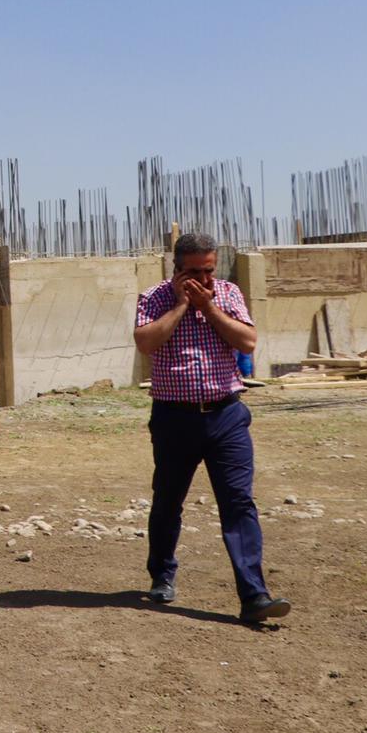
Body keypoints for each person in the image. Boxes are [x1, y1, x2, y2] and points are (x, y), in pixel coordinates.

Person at [134, 232, 290, 623]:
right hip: (174, 417)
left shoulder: (228, 294)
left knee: (238, 503)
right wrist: (183, 306)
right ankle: (162, 575)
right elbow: (146, 343)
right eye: (193, 272)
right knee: (168, 500)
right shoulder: (154, 298)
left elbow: (248, 342)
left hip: (226, 416)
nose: (203, 280)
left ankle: (254, 595)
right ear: (176, 268)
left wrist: (210, 308)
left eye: (208, 270)